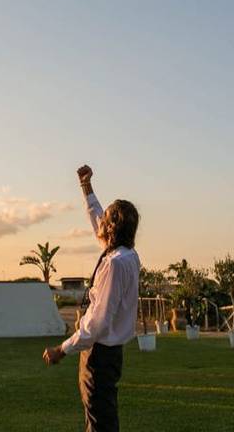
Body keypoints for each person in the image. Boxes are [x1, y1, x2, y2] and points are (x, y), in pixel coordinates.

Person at [43, 165, 141, 432]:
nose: (100, 223)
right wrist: (86, 187)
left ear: (111, 229)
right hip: (110, 354)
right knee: (99, 417)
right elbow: (97, 217)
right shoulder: (127, 256)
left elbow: (97, 322)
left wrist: (62, 350)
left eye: (105, 221)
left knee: (100, 422)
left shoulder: (115, 264)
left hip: (99, 354)